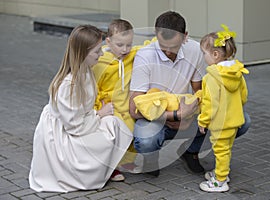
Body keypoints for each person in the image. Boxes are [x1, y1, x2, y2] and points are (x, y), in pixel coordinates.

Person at [129, 11, 251, 177]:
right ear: (156, 35)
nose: (168, 52)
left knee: (241, 122)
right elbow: (133, 108)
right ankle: (151, 158)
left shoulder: (196, 49)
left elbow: (202, 93)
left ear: (185, 36)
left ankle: (190, 151)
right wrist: (176, 115)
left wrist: (189, 118)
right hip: (158, 115)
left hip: (187, 112)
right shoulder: (144, 55)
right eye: (163, 46)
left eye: (174, 47)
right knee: (146, 140)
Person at [29, 24, 133, 193]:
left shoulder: (85, 70)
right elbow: (74, 125)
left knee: (114, 124)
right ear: (83, 53)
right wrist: (99, 114)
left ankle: (103, 168)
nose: (102, 54)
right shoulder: (69, 85)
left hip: (79, 123)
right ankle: (86, 173)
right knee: (110, 127)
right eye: (97, 51)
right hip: (64, 136)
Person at [93, 19, 153, 177]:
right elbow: (95, 87)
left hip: (127, 105)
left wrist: (170, 41)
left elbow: (150, 46)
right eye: (120, 45)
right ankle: (111, 167)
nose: (125, 49)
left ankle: (127, 162)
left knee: (132, 132)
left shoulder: (132, 55)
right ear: (108, 41)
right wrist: (98, 107)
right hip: (110, 106)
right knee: (113, 136)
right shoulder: (100, 62)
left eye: (129, 44)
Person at [198, 24, 249, 192]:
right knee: (226, 149)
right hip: (234, 120)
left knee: (220, 150)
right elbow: (243, 96)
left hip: (220, 123)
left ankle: (220, 181)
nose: (203, 57)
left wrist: (203, 120)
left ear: (215, 54)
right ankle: (222, 173)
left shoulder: (211, 76)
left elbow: (210, 103)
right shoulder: (237, 71)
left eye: (204, 53)